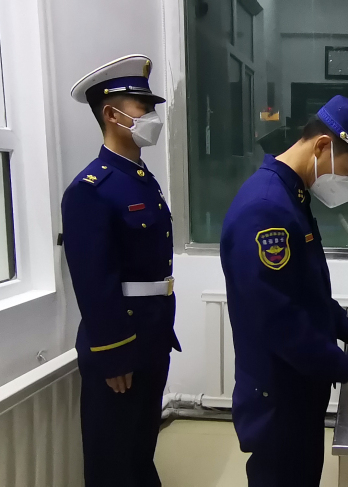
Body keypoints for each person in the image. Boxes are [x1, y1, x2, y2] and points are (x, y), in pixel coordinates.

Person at [221, 95, 348, 486]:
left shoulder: (291, 196)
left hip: (298, 385)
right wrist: (347, 367)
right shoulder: (267, 208)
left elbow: (304, 288)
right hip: (279, 394)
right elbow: (277, 319)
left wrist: (347, 328)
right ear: (322, 146)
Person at [62, 55, 180, 487]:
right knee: (111, 457)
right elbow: (94, 280)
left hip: (152, 334)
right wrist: (113, 353)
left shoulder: (141, 179)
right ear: (112, 115)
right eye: (142, 107)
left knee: (140, 445)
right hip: (120, 341)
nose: (151, 116)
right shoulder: (92, 189)